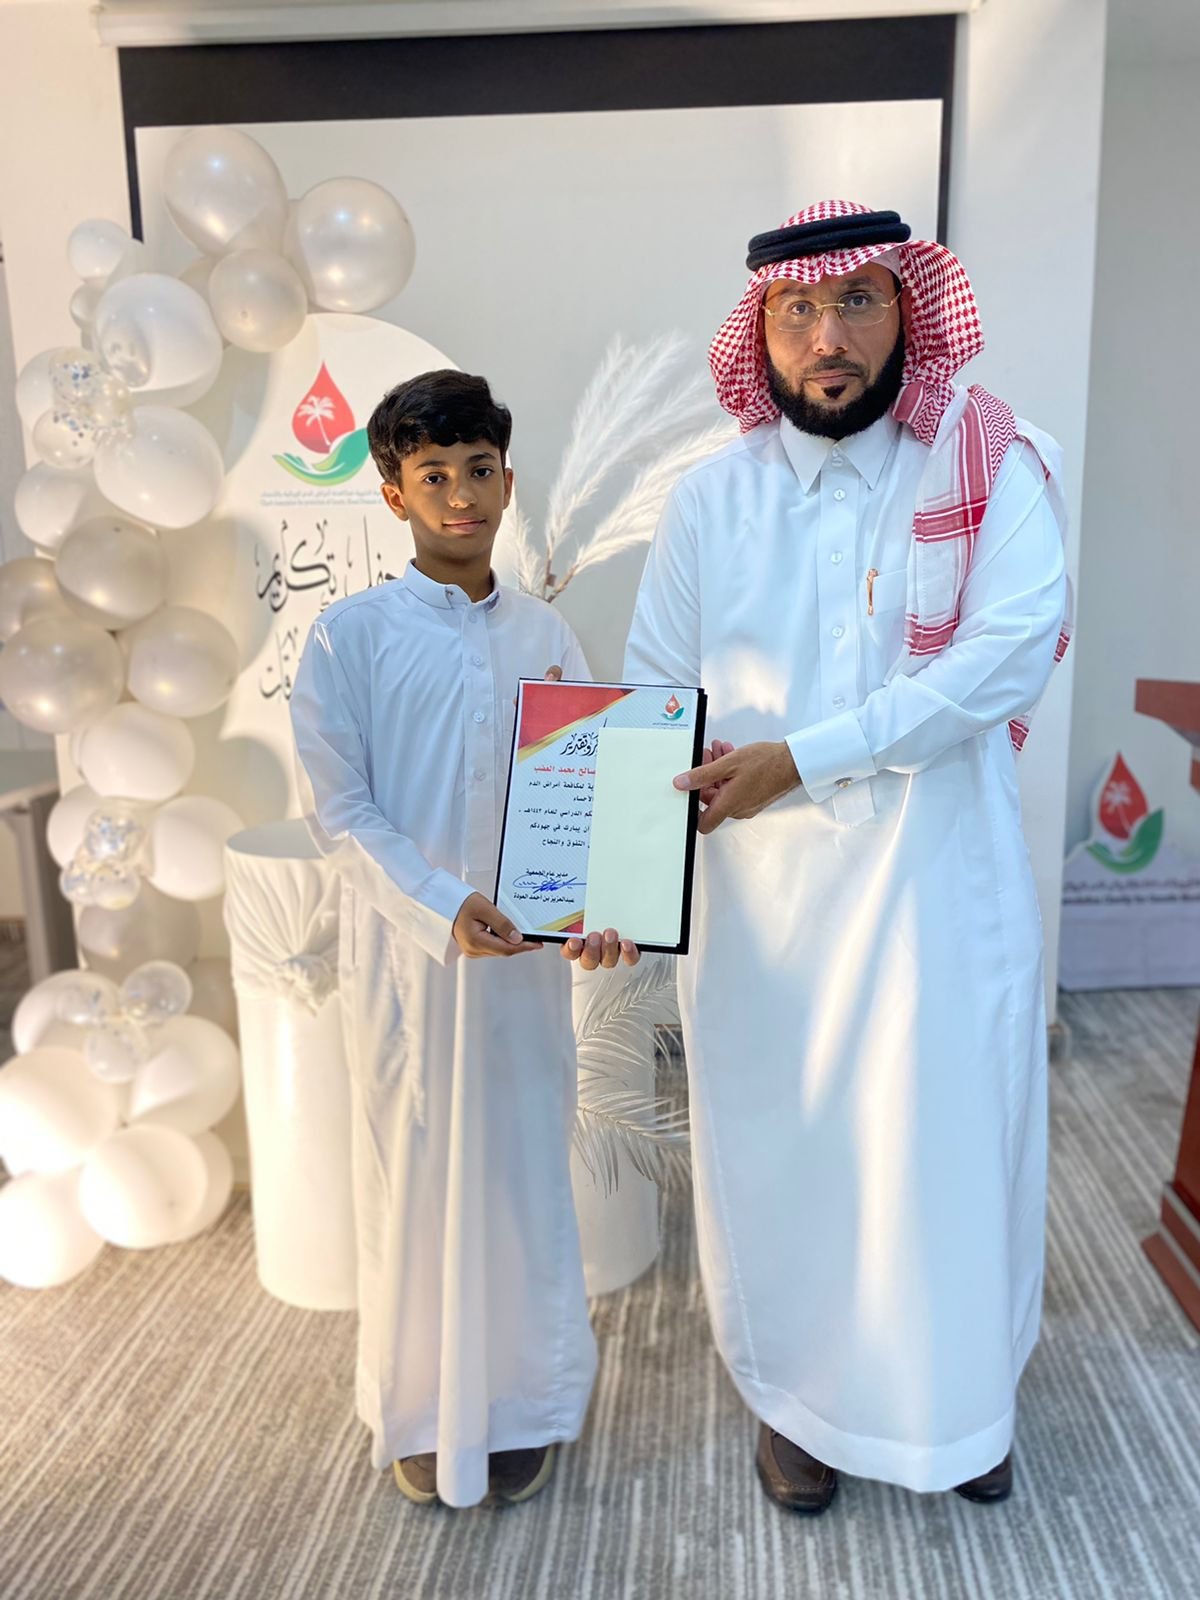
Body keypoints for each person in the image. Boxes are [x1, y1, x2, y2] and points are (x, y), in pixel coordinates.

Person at [621, 200, 1070, 1512]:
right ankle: (802, 1404)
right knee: (790, 1158)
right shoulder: (710, 501)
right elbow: (654, 696)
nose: (829, 336)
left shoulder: (994, 464)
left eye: (858, 301)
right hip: (767, 920)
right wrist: (611, 889)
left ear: (910, 311)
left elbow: (1002, 660)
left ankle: (961, 1407)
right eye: (799, 309)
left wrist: (805, 759)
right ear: (759, 333)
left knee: (947, 1156)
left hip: (939, 896)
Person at [290, 370, 637, 1510]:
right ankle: (423, 1410)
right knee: (415, 1176)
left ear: (507, 480)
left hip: (524, 976)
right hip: (409, 970)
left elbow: (589, 795)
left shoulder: (548, 634)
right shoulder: (349, 638)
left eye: (478, 470)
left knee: (523, 1171)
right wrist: (441, 905)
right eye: (432, 475)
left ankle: (525, 1403)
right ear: (393, 494)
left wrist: (603, 907)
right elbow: (341, 813)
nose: (459, 496)